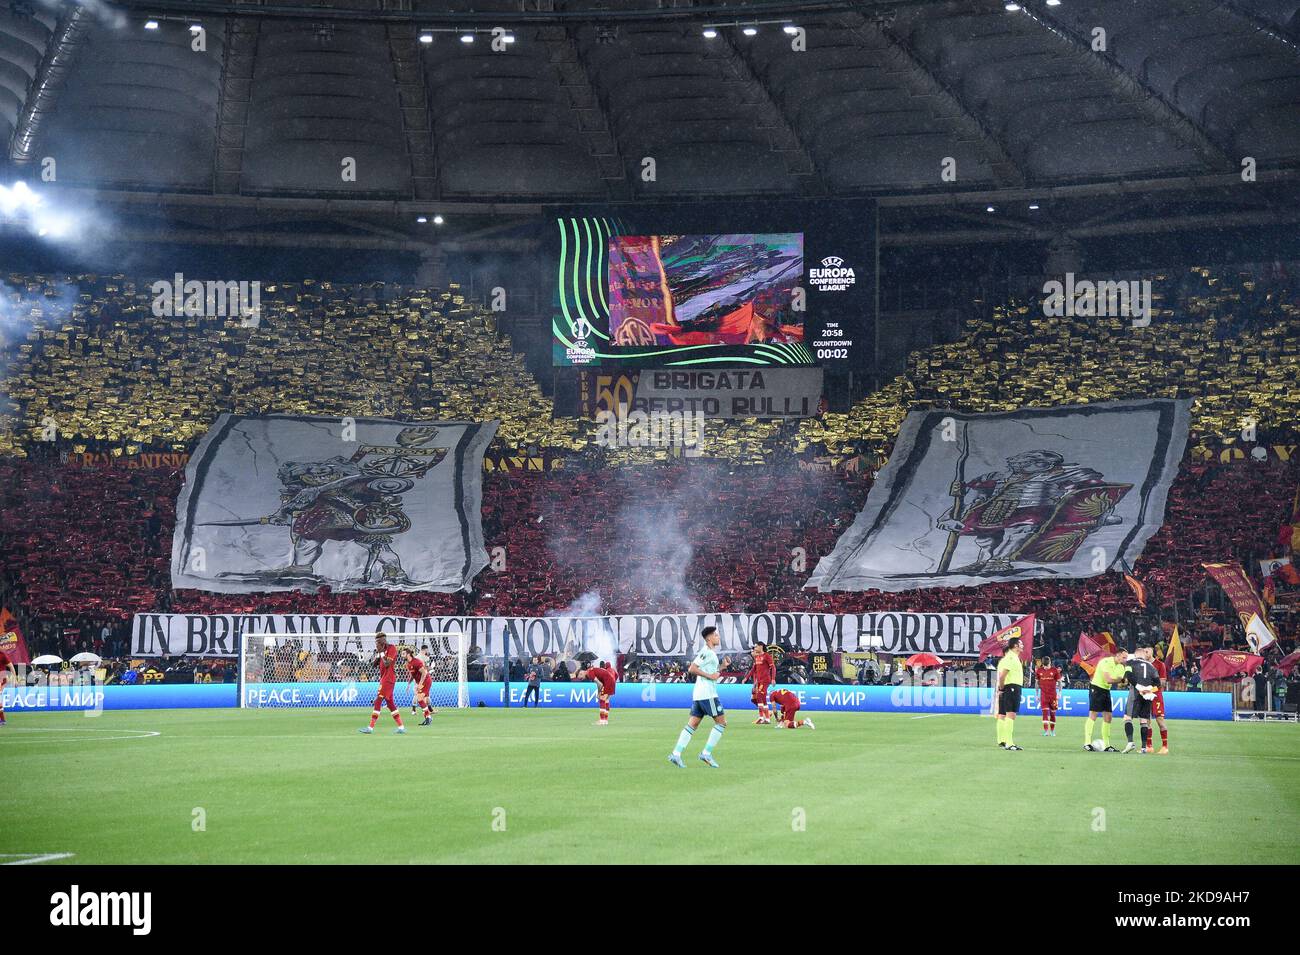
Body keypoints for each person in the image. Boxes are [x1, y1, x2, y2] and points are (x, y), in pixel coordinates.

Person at [668, 625, 727, 768]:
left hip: (699, 694)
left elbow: (712, 674)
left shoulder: (709, 653)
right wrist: (710, 675)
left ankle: (676, 754)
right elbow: (692, 668)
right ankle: (706, 753)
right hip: (708, 694)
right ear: (709, 638)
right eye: (716, 635)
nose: (718, 637)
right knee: (721, 723)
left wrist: (722, 668)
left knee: (692, 725)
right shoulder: (707, 652)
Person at [360, 632, 405, 735]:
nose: (377, 644)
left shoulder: (392, 648)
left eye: (378, 642)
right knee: (390, 704)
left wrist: (381, 653)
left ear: (383, 641)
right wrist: (378, 654)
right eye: (376, 642)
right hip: (384, 679)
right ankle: (401, 727)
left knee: (378, 701)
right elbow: (374, 665)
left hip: (388, 679)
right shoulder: (382, 650)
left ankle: (370, 728)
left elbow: (387, 664)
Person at [1084, 649, 1129, 752]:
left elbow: (1120, 683)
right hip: (1096, 688)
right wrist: (1122, 680)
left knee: (1108, 717)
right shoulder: (1105, 662)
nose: (1125, 660)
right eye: (1124, 657)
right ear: (1117, 655)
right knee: (1093, 715)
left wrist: (1124, 682)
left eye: (1126, 658)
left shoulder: (1121, 667)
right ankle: (1087, 743)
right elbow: (1108, 679)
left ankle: (1107, 745)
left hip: (1106, 690)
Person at [1122, 647, 1161, 754]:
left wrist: (1139, 687)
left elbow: (1128, 676)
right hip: (1148, 695)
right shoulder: (1152, 667)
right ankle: (1144, 748)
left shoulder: (1130, 663)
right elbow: (1158, 685)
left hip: (1135, 692)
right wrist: (1149, 691)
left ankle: (1130, 742)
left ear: (1135, 655)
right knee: (1144, 720)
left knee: (1127, 717)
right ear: (1144, 655)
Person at [995, 637, 1025, 751]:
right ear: (1015, 645)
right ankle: (1009, 742)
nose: (1022, 646)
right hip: (1012, 686)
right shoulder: (1011, 658)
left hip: (1009, 687)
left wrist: (1001, 688)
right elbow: (1003, 675)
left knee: (1003, 714)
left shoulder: (1008, 658)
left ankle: (1002, 740)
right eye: (1021, 644)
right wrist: (1002, 688)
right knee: (1011, 715)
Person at [575, 661, 616, 725]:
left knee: (602, 700)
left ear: (581, 673)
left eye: (581, 678)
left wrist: (599, 693)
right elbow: (599, 683)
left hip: (607, 681)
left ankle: (602, 720)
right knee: (606, 700)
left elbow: (600, 684)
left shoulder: (589, 673)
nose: (582, 679)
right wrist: (599, 692)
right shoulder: (591, 670)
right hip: (611, 681)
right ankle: (605, 720)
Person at [401, 646, 433, 726]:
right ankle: (427, 717)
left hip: (426, 680)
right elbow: (413, 675)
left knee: (420, 698)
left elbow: (424, 673)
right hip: (421, 682)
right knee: (421, 699)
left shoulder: (416, 662)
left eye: (403, 653)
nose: (401, 655)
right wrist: (408, 684)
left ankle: (428, 717)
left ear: (408, 654)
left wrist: (420, 684)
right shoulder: (408, 664)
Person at [746, 642, 776, 724]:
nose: (755, 648)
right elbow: (753, 669)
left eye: (756, 646)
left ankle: (762, 717)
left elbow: (773, 667)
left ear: (761, 646)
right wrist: (746, 678)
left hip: (765, 680)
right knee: (761, 698)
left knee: (759, 696)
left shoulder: (766, 656)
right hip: (759, 681)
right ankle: (766, 718)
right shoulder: (757, 657)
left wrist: (773, 678)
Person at [1034, 656, 1062, 736]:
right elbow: (1036, 683)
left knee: (1053, 714)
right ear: (1042, 664)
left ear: (1050, 662)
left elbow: (1059, 683)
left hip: (1053, 696)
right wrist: (1036, 694)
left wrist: (1060, 693)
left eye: (1047, 665)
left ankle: (1052, 731)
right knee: (1045, 713)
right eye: (1044, 666)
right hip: (1044, 696)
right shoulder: (1039, 671)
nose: (1045, 667)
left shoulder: (1055, 670)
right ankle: (1046, 731)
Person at [1149, 649, 1170, 753]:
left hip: (1156, 696)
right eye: (1144, 651)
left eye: (1147, 650)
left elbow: (1162, 683)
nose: (1145, 653)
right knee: (1146, 721)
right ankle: (1149, 746)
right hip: (1145, 697)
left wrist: (1150, 690)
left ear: (1151, 651)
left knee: (1160, 720)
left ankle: (1165, 747)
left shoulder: (1160, 664)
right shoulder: (1142, 665)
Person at [0, 649, 13, 726]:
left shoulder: (2, 654)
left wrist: (15, 678)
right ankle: (2, 720)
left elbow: (11, 666)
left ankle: (2, 720)